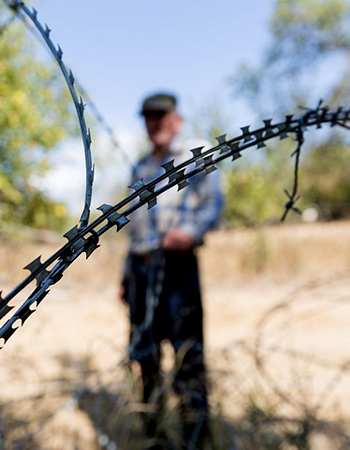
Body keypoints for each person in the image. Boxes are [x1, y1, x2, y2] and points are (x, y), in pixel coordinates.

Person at [121, 92, 224, 449]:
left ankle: (196, 438)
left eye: (162, 115)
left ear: (176, 119)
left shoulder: (196, 153)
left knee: (187, 358)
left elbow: (213, 203)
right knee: (144, 357)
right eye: (148, 117)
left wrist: (191, 233)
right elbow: (133, 226)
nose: (156, 123)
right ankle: (154, 437)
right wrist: (125, 274)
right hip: (140, 271)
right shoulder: (140, 167)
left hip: (178, 268)